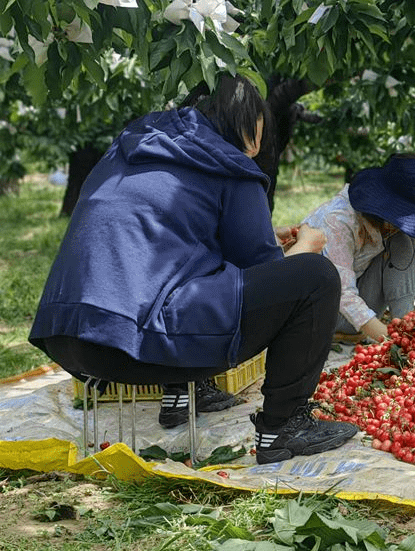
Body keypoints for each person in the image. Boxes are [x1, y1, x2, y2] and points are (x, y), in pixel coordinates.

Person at [29, 74, 357, 464]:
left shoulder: (132, 147)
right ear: (250, 123)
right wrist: (305, 248)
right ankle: (284, 428)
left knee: (184, 280)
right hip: (136, 350)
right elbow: (266, 272)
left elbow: (162, 240)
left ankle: (187, 391)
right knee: (314, 279)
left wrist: (263, 233)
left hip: (69, 336)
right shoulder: (230, 164)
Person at [295, 153, 415, 343]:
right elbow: (343, 293)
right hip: (323, 312)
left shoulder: (396, 227)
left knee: (405, 239)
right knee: (402, 238)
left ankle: (408, 327)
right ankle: (402, 337)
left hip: (362, 300)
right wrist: (392, 342)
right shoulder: (337, 221)